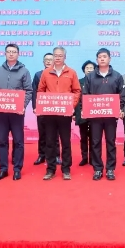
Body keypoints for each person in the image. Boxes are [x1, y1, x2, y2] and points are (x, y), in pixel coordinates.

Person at [0, 43, 32, 181]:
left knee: (18, 141)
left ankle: (17, 169)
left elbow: (28, 91)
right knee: (2, 141)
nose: (11, 54)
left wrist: (22, 106)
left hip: (17, 114)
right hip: (1, 113)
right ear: (5, 53)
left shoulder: (24, 71)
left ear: (18, 54)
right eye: (9, 51)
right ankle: (3, 169)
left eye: (14, 52)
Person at [37, 46, 81, 181]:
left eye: (60, 55)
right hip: (49, 113)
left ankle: (66, 169)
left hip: (65, 113)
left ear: (65, 57)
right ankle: (50, 169)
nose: (57, 58)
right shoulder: (46, 73)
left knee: (66, 142)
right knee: (50, 141)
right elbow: (40, 90)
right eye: (55, 55)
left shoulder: (71, 72)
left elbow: (77, 91)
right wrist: (43, 105)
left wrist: (71, 105)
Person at [83, 49, 125, 181]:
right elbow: (85, 94)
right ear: (97, 60)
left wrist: (120, 108)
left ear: (109, 59)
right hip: (95, 116)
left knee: (110, 142)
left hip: (111, 116)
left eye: (104, 57)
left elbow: (122, 95)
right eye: (100, 57)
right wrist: (85, 109)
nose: (102, 59)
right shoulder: (90, 77)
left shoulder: (117, 76)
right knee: (95, 142)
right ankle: (97, 169)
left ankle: (110, 169)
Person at [32, 52, 60, 166]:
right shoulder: (38, 75)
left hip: (55, 108)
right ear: (43, 62)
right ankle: (42, 155)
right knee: (42, 133)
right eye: (46, 59)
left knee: (55, 133)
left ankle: (56, 155)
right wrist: (35, 107)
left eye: (50, 59)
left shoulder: (58, 73)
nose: (48, 61)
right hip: (42, 108)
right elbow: (34, 91)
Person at [74, 60, 95, 166]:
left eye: (91, 68)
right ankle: (84, 157)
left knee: (93, 137)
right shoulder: (79, 82)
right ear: (84, 70)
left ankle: (92, 158)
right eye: (87, 68)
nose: (89, 70)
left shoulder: (98, 81)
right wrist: (74, 113)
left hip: (94, 112)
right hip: (81, 112)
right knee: (83, 137)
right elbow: (75, 98)